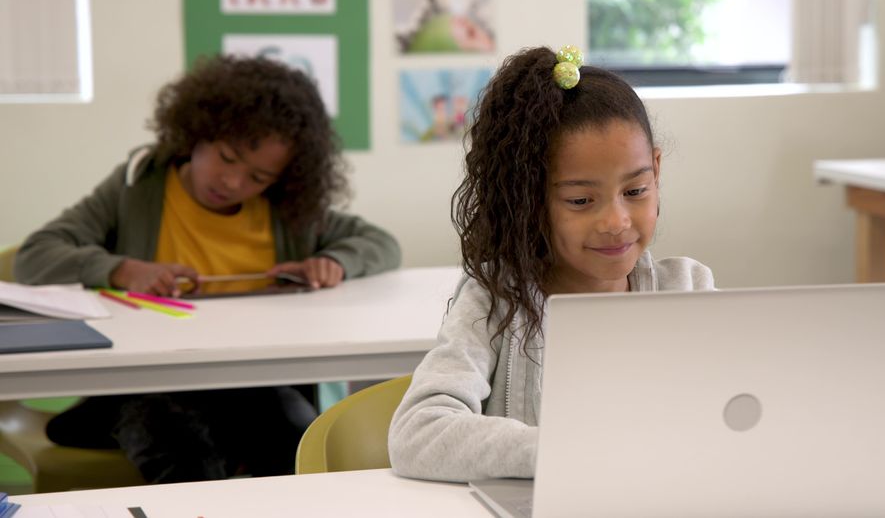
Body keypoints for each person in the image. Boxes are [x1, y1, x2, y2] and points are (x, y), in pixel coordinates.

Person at [14, 55, 401, 483]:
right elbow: (36, 254)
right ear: (196, 134)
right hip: (147, 382)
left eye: (258, 176)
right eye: (226, 157)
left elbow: (380, 243)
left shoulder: (289, 212)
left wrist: (335, 262)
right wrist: (122, 270)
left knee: (297, 437)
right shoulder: (137, 187)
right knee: (179, 449)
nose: (234, 182)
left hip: (250, 383)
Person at [387, 45, 715, 482]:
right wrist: (564, 451)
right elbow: (416, 435)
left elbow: (728, 421)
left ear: (656, 169)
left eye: (636, 191)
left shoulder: (687, 289)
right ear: (528, 201)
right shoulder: (495, 301)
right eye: (580, 200)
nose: (617, 223)